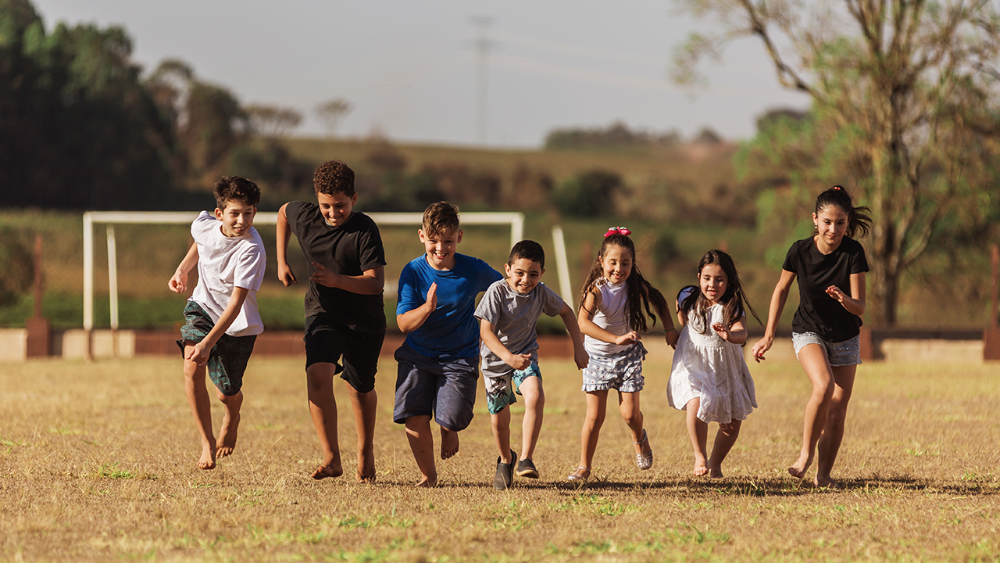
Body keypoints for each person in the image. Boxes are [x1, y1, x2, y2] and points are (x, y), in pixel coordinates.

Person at [751, 186, 871, 487]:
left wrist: (843, 298)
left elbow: (860, 308)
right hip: (808, 330)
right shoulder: (799, 251)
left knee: (838, 410)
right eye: (827, 222)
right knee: (824, 384)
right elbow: (780, 290)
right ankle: (805, 454)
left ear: (847, 222)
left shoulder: (853, 252)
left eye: (840, 223)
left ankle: (824, 474)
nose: (833, 229)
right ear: (815, 219)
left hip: (845, 337)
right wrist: (768, 336)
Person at [276, 160, 386, 482]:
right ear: (316, 200)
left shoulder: (365, 229)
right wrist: (282, 260)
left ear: (354, 198)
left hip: (364, 318)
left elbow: (375, 283)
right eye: (326, 205)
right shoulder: (306, 216)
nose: (333, 213)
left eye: (340, 205)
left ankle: (365, 451)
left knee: (359, 388)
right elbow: (283, 212)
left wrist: (338, 280)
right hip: (323, 311)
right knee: (317, 373)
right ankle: (332, 457)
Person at [394, 201, 503, 487]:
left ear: (459, 237)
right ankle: (428, 476)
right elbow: (403, 323)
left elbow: (505, 289)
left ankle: (448, 426)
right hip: (417, 354)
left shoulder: (474, 269)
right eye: (433, 241)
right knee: (412, 415)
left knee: (453, 417)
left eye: (448, 241)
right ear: (421, 237)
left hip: (460, 356)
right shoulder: (413, 272)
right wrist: (426, 308)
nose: (440, 248)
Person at [168, 176, 266, 470]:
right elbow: (202, 242)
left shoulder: (252, 249)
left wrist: (209, 342)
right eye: (235, 213)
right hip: (203, 307)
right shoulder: (204, 225)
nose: (241, 220)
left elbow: (236, 304)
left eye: (248, 213)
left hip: (237, 324)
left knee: (227, 392)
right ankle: (206, 442)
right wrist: (183, 270)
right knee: (191, 365)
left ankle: (232, 416)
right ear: (219, 214)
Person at [475, 240, 589, 489]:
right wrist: (508, 358)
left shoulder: (541, 293)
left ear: (542, 274)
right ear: (508, 269)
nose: (525, 279)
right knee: (499, 420)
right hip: (496, 363)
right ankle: (506, 458)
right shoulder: (497, 292)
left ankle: (526, 458)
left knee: (535, 395)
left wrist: (579, 347)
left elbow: (568, 313)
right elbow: (486, 332)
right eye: (520, 273)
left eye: (533, 274)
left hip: (525, 358)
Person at [568, 226, 679, 482]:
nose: (619, 268)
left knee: (630, 414)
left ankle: (640, 438)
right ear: (601, 262)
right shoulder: (596, 290)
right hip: (597, 358)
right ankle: (584, 467)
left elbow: (660, 302)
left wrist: (670, 329)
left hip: (628, 356)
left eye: (625, 263)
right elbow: (583, 323)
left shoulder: (634, 285)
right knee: (595, 417)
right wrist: (616, 338)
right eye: (613, 262)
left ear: (633, 264)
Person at [667, 250, 761, 478]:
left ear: (728, 282)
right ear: (699, 276)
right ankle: (700, 455)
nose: (712, 284)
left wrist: (730, 335)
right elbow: (682, 318)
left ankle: (715, 463)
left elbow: (742, 333)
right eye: (707, 278)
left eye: (719, 279)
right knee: (696, 404)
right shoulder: (688, 297)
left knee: (732, 422)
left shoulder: (732, 305)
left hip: (723, 367)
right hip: (693, 363)